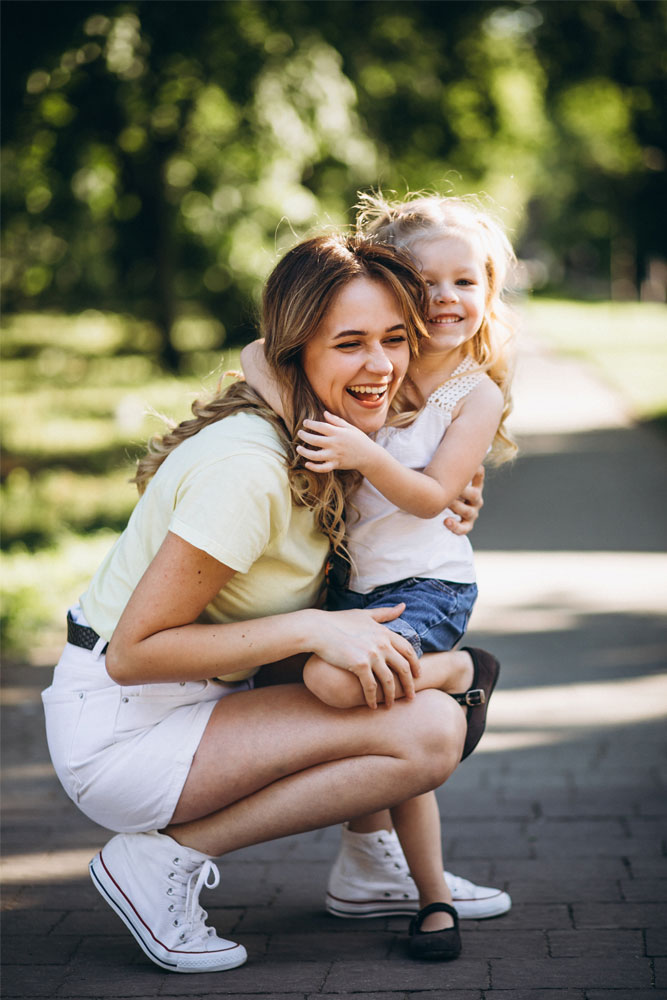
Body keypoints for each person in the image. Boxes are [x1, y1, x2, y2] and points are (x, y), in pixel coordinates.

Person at [41, 233, 471, 974]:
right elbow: (132, 655)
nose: (380, 366)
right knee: (427, 728)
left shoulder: (325, 438)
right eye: (349, 344)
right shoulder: (248, 467)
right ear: (296, 353)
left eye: (395, 339)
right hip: (125, 734)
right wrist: (311, 626)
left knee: (404, 705)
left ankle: (371, 871)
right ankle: (162, 862)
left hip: (203, 704)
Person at [242, 193, 517, 945]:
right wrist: (304, 418)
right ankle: (406, 887)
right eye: (426, 283)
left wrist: (361, 454)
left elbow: (430, 497)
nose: (446, 299)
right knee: (377, 716)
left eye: (466, 282)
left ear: (489, 291)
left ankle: (460, 671)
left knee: (337, 684)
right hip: (353, 580)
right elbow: (256, 356)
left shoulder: (472, 392)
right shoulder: (379, 367)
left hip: (425, 587)